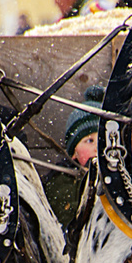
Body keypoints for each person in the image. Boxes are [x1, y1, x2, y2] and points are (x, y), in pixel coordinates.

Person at [42, 85, 103, 227]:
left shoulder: (115, 180)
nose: (97, 148)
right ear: (74, 152)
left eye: (102, 140)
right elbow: (67, 219)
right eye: (89, 141)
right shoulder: (60, 182)